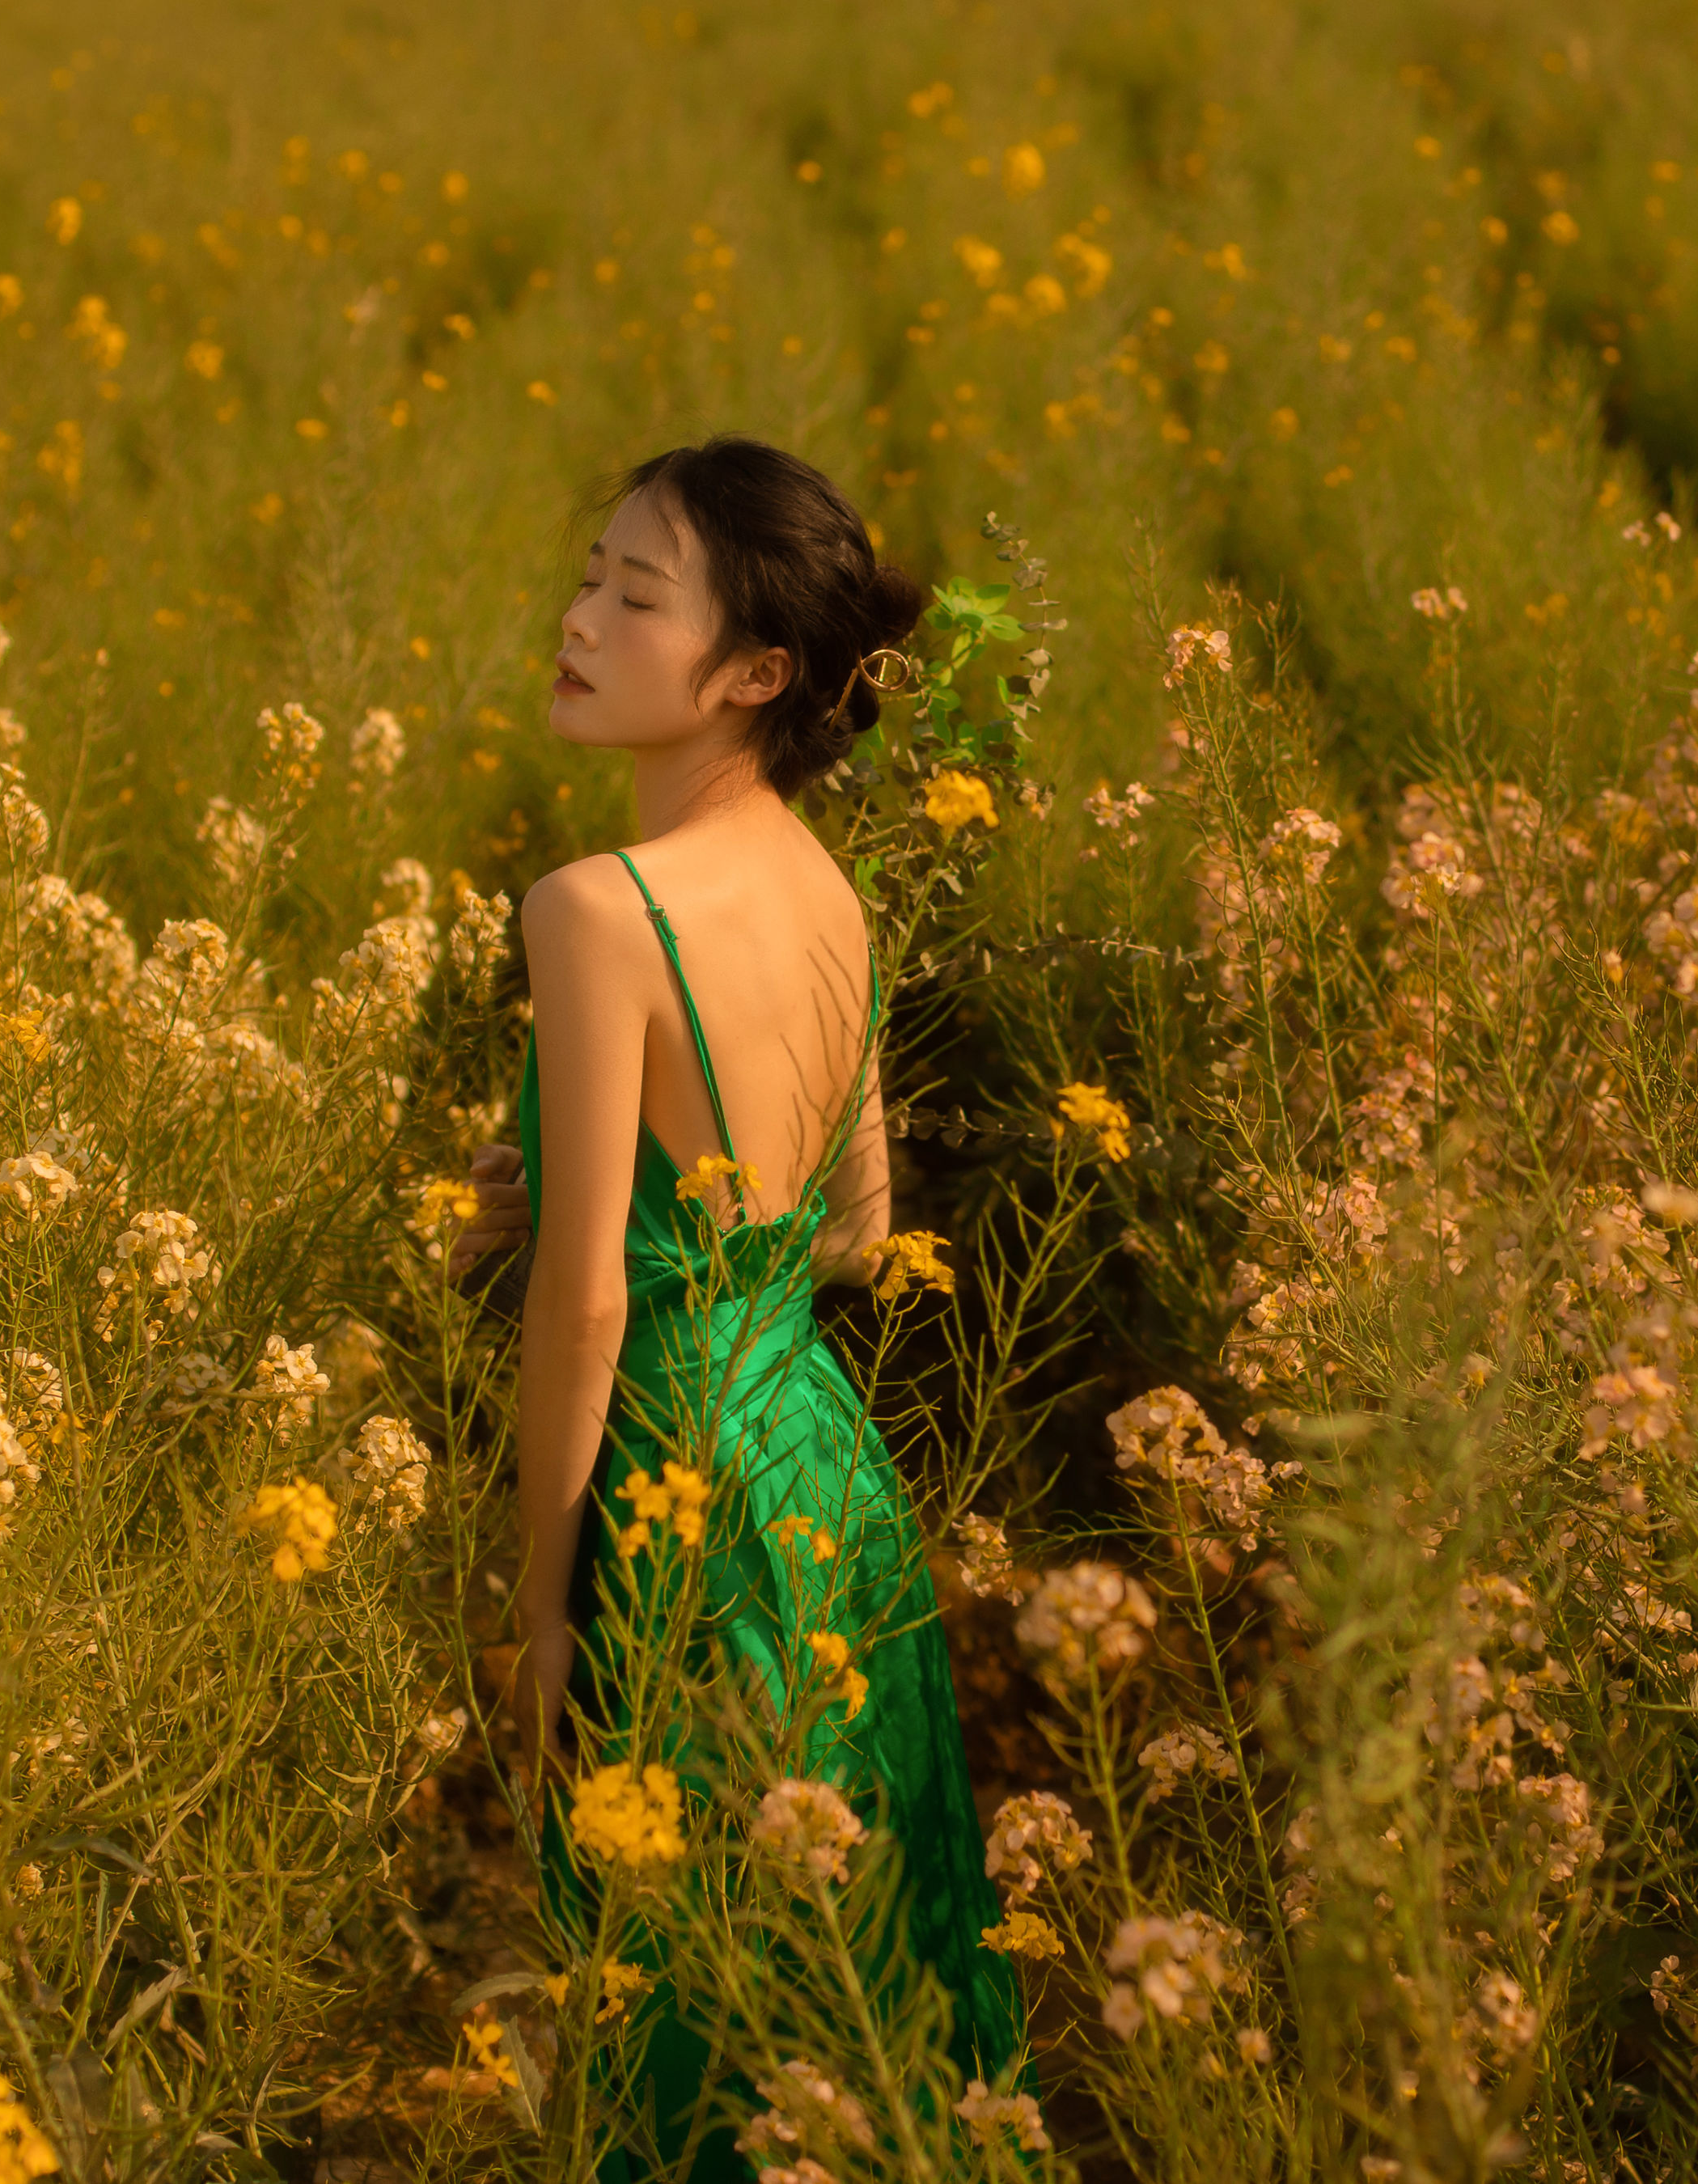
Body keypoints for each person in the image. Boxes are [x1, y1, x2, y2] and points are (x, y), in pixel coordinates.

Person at [442, 436, 1023, 2178]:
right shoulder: (829, 896)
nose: (577, 618)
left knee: (679, 1988)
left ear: (756, 673)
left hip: (677, 1486)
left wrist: (537, 1601)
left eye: (634, 595)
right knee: (855, 1974)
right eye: (587, 578)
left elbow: (588, 1305)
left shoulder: (595, 911)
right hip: (825, 1475)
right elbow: (855, 1230)